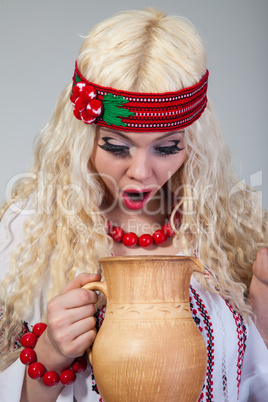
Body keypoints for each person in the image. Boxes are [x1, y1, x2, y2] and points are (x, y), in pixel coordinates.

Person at [0, 7, 267, 402]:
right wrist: (49, 355)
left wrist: (261, 298)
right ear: (82, 135)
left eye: (167, 147)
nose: (141, 172)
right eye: (116, 146)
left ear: (192, 142)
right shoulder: (27, 233)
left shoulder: (232, 231)